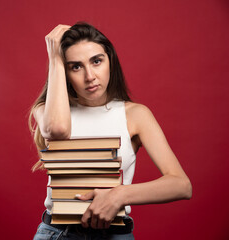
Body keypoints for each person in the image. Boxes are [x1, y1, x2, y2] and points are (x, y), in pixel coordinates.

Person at [30, 22, 192, 239]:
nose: (90, 76)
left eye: (96, 61)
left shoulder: (135, 114)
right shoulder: (46, 111)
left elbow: (181, 185)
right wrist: (55, 58)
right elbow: (58, 130)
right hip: (57, 233)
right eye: (75, 66)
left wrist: (119, 195)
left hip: (115, 234)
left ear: (110, 61)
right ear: (65, 72)